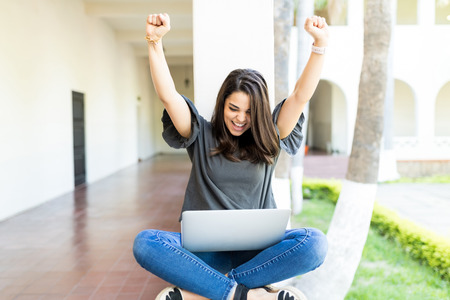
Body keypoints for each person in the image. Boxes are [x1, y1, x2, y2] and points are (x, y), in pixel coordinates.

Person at [133, 12, 329, 300]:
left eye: (249, 111)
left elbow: (300, 96)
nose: (240, 118)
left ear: (259, 112)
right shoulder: (200, 134)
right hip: (205, 255)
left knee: (315, 243)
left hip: (258, 257)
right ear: (222, 104)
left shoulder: (270, 138)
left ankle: (206, 292)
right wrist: (154, 41)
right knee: (146, 243)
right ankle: (246, 294)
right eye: (233, 108)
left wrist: (319, 45)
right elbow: (169, 96)